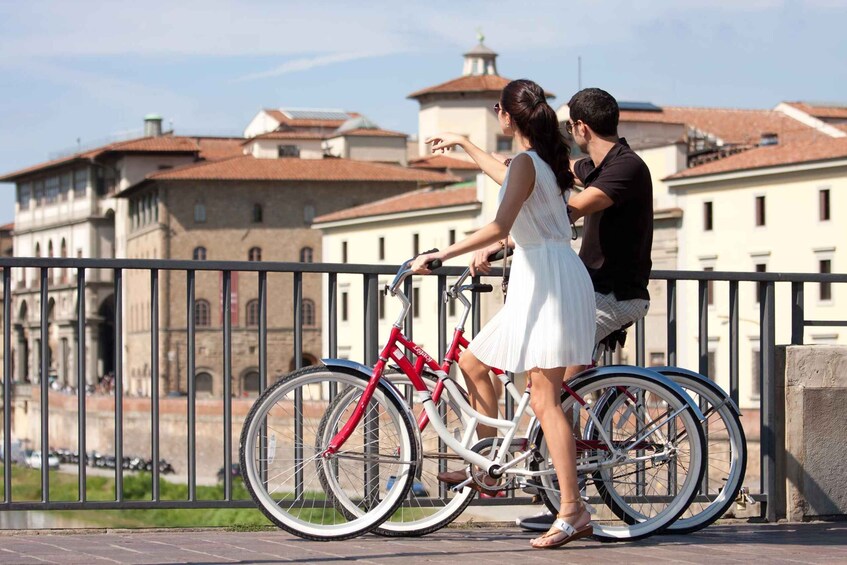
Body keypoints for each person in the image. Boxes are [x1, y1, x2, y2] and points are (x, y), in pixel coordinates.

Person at [411, 79, 596, 549]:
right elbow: (506, 175)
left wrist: (440, 253)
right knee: (472, 362)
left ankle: (573, 510)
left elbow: (499, 225)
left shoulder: (531, 164)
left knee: (543, 399)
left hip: (549, 282)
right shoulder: (540, 162)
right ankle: (487, 466)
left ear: (508, 118)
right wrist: (465, 143)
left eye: (498, 108)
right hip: (545, 277)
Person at [517, 88, 654, 532]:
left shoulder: (627, 169)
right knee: (544, 386)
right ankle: (560, 496)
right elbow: (543, 177)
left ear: (581, 127)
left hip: (614, 296)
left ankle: (571, 504)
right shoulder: (596, 165)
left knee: (552, 388)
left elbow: (567, 209)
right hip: (588, 290)